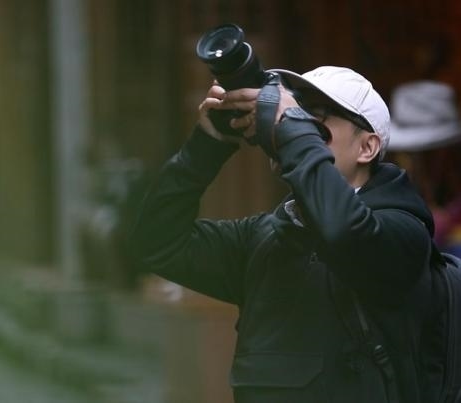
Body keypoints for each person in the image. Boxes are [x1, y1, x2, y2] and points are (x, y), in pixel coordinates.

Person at [128, 66, 442, 402]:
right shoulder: (263, 239)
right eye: (293, 114)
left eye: (315, 120)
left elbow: (344, 233)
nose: (290, 127)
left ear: (367, 147)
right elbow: (158, 242)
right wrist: (208, 144)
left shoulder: (402, 230)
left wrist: (293, 127)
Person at [387, 80, 461, 283]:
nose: (408, 166)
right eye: (404, 155)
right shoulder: (382, 208)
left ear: (447, 155)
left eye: (424, 156)